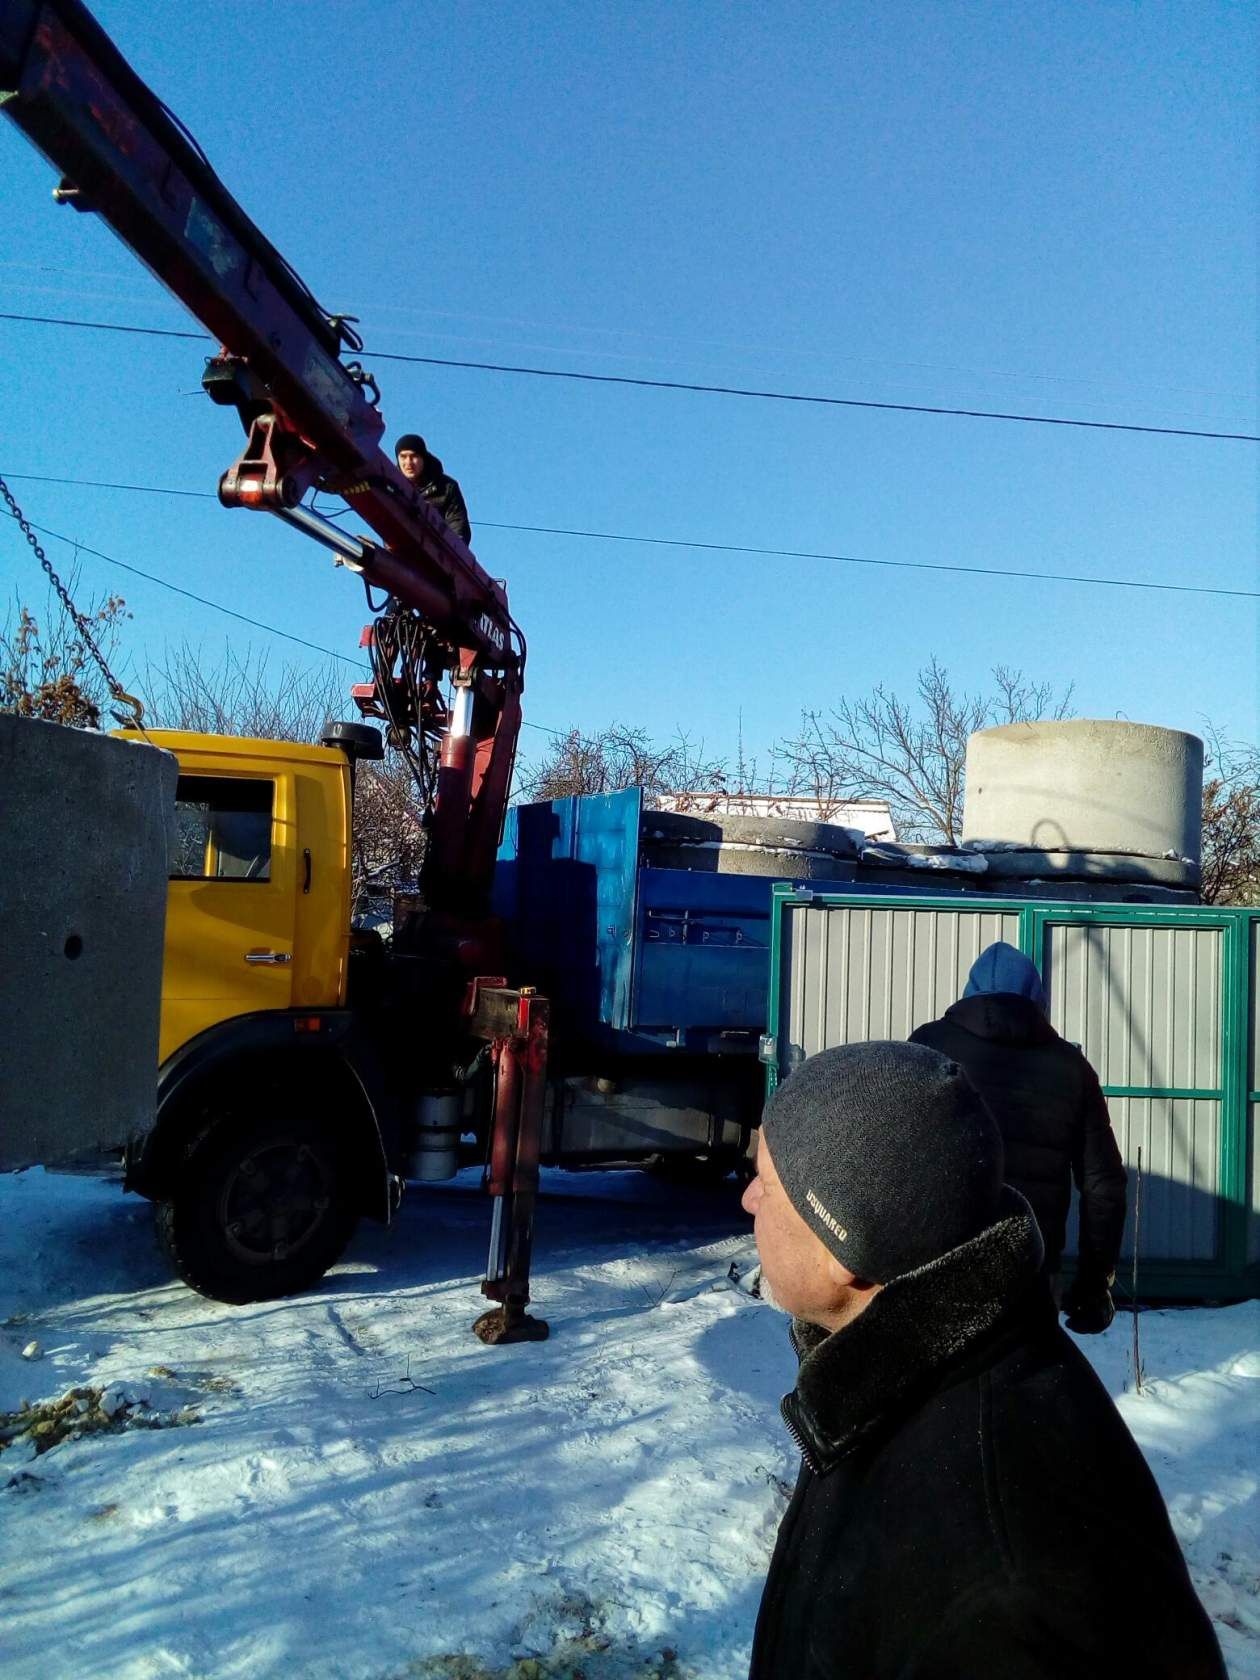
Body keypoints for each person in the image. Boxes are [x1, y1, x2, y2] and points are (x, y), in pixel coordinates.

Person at [743, 1040, 1225, 1679]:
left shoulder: (1003, 1590)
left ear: (843, 1245)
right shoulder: (892, 1381)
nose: (748, 1199)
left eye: (767, 1184)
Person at [909, 940, 1126, 1333]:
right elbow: (1103, 1185)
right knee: (1023, 1387)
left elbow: (892, 1152)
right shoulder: (1071, 1067)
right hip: (1032, 1267)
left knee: (938, 1389)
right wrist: (1094, 1280)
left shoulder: (929, 1046)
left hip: (937, 1262)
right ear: (1038, 1001)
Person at [394, 433, 471, 543]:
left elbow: (458, 526)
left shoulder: (446, 487)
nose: (408, 463)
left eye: (414, 456)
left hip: (437, 552)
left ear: (423, 458)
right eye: (403, 457)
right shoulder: (392, 484)